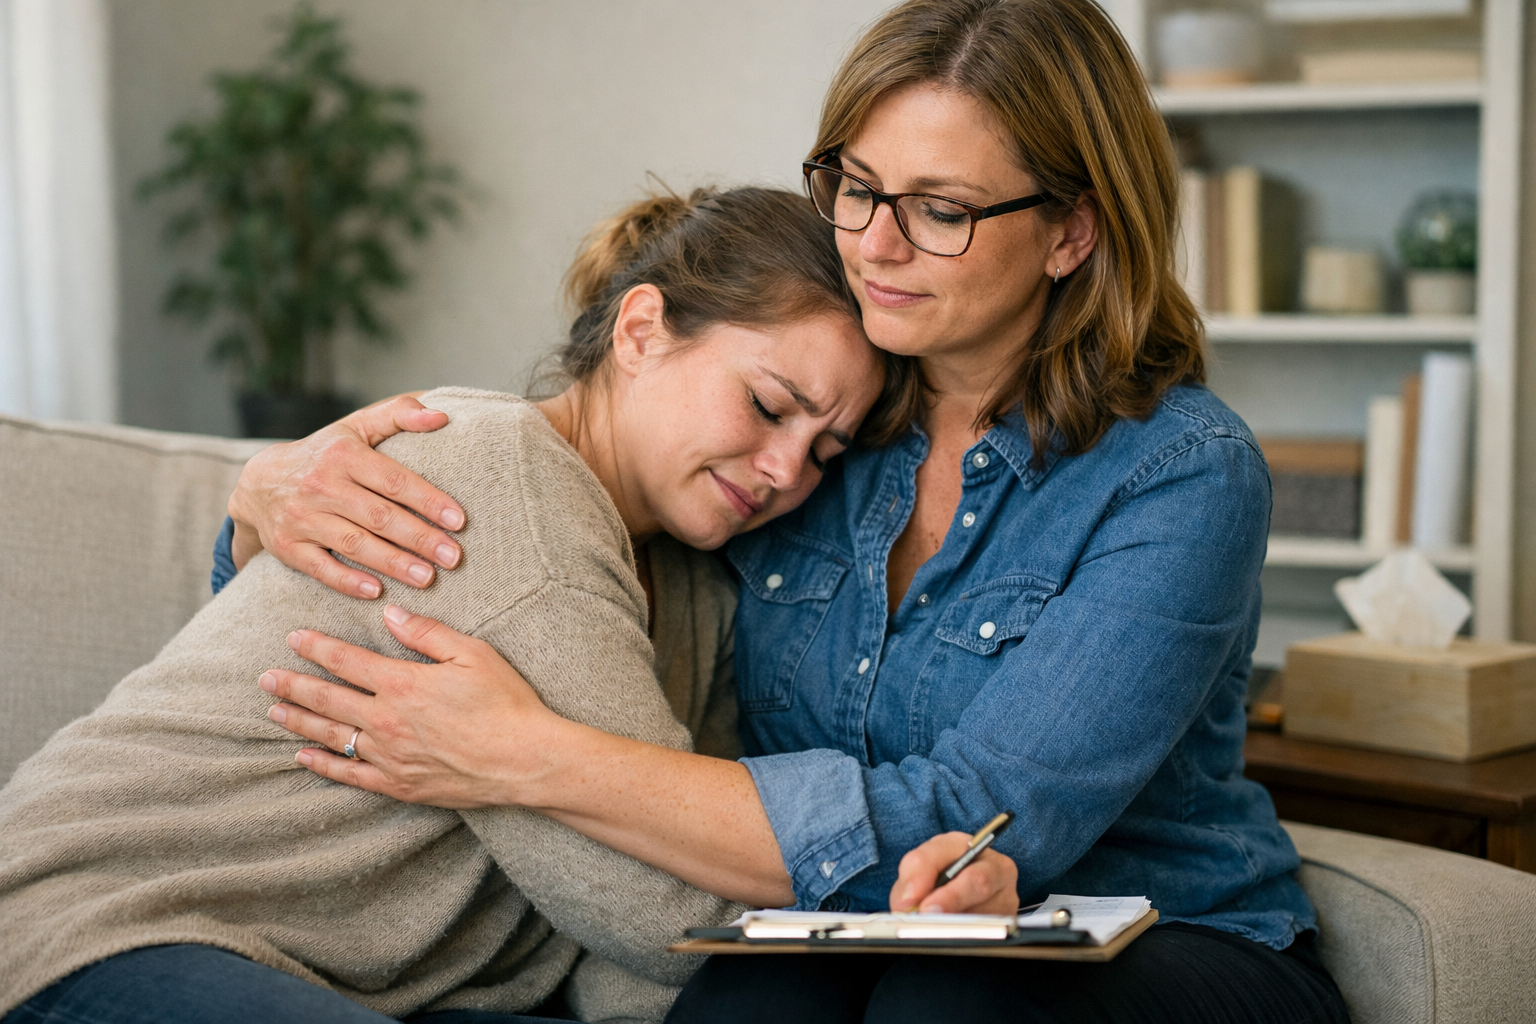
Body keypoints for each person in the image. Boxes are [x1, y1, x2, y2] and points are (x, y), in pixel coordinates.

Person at [219, 1, 1354, 1021]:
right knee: (739, 1005)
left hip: (1170, 932)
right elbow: (560, 489)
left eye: (941, 210)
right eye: (857, 187)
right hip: (849, 926)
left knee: (946, 1004)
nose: (874, 244)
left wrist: (529, 756)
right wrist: (267, 502)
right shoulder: (812, 434)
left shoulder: (1182, 473)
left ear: (1072, 232)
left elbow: (970, 817)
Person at [0, 186, 1013, 1024]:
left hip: (342, 978)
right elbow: (658, 902)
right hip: (104, 925)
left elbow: (639, 936)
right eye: (768, 406)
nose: (785, 468)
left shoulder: (699, 591)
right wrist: (888, 885)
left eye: (824, 452)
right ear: (643, 330)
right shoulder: (502, 482)